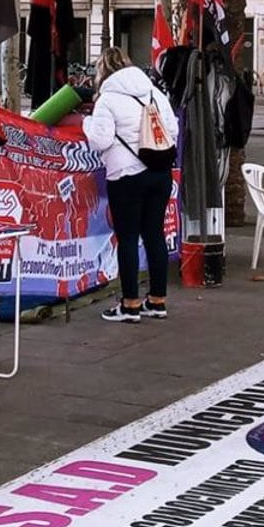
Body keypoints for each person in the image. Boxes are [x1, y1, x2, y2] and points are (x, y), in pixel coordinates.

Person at [84, 45, 179, 322]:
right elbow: (171, 129)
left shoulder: (107, 99)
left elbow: (100, 140)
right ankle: (158, 301)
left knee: (127, 239)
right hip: (159, 172)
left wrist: (88, 123)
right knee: (154, 235)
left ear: (103, 71)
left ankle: (130, 305)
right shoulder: (154, 93)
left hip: (126, 176)